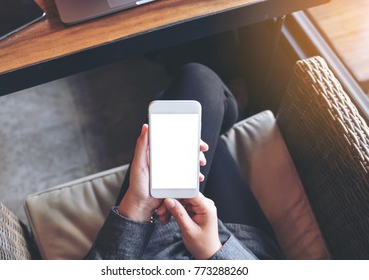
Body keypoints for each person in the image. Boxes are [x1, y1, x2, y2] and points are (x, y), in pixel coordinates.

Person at [85, 63, 282, 260]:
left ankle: (225, 110)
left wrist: (138, 206)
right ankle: (231, 112)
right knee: (196, 84)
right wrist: (212, 251)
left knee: (193, 86)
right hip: (238, 250)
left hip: (147, 246)